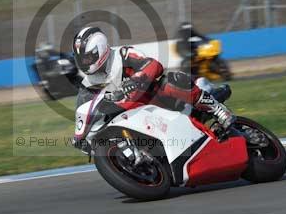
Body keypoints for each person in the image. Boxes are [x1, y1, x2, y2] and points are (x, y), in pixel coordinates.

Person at [72, 26, 237, 141]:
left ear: (100, 51)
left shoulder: (123, 55)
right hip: (133, 119)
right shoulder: (87, 85)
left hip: (161, 101)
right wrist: (81, 138)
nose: (85, 63)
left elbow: (153, 65)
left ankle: (218, 109)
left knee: (173, 80)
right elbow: (84, 113)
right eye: (81, 59)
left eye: (87, 58)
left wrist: (135, 80)